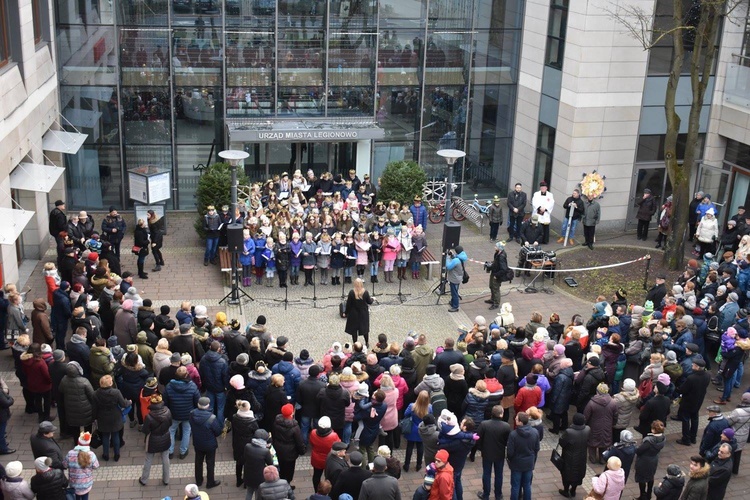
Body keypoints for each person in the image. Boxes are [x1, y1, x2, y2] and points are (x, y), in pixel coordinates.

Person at [92, 374, 130, 461]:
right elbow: (123, 404)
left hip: (102, 417)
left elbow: (94, 408)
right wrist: (129, 402)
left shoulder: (95, 394)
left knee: (105, 436)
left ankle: (106, 455)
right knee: (115, 435)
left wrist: (93, 418)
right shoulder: (116, 392)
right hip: (115, 417)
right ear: (109, 384)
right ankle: (117, 454)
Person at [476, 405, 510, 500]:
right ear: (501, 414)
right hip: (499, 453)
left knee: (486, 473)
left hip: (487, 453)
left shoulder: (484, 424)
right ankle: (498, 495)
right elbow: (508, 441)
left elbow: (478, 439)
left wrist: (481, 448)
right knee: (499, 474)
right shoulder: (506, 426)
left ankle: (486, 494)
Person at [676, 357, 711, 446]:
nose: (692, 365)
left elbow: (683, 390)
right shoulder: (707, 375)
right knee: (695, 418)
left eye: (693, 365)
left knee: (685, 420)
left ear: (697, 367)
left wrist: (677, 388)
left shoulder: (691, 378)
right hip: (698, 401)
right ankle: (693, 437)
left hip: (688, 402)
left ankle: (686, 439)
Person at [139, 393, 172, 486]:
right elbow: (170, 423)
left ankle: (144, 480)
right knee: (165, 458)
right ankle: (166, 479)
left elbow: (145, 430)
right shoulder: (168, 412)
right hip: (165, 437)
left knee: (148, 459)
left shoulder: (149, 417)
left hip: (152, 440)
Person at [190, 396, 223, 489]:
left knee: (198, 462)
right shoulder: (212, 418)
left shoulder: (192, 414)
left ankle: (199, 481)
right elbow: (217, 432)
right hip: (210, 445)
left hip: (197, 442)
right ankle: (210, 482)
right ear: (208, 406)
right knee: (210, 463)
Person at [507, 412, 540, 500]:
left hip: (517, 463)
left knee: (515, 486)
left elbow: (510, 452)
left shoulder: (513, 434)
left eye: (517, 419)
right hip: (529, 463)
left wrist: (510, 460)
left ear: (520, 422)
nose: (515, 419)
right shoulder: (535, 432)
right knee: (527, 485)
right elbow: (537, 448)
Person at [557, 413, 589, 498]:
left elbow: (562, 442)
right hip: (582, 457)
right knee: (578, 473)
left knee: (566, 474)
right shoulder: (587, 429)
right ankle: (573, 490)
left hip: (569, 457)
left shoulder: (569, 432)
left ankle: (566, 490)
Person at [272, 403, 305, 486]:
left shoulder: (276, 422)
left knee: (281, 468)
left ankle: (281, 482)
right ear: (292, 413)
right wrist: (302, 451)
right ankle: (287, 485)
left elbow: (274, 434)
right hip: (291, 452)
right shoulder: (294, 427)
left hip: (279, 449)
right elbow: (299, 441)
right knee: (289, 471)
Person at [634, 420, 667, 500]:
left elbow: (639, 451)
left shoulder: (649, 441)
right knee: (650, 477)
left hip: (644, 461)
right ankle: (649, 494)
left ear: (653, 430)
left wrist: (635, 447)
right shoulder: (662, 438)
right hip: (653, 459)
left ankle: (643, 496)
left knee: (641, 478)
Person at [65, 431, 100, 499]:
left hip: (74, 483)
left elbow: (64, 465)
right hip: (86, 483)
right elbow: (96, 466)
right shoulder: (91, 455)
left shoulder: (70, 454)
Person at [244, 429, 274, 500]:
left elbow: (245, 457)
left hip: (248, 474)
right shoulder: (265, 451)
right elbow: (270, 463)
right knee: (258, 494)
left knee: (249, 492)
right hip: (259, 477)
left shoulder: (247, 446)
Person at [344, 278, 374, 346]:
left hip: (353, 313)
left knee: (354, 330)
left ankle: (355, 344)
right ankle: (367, 342)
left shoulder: (351, 292)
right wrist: (372, 299)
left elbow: (348, 304)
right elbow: (369, 302)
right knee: (364, 328)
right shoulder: (365, 292)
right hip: (363, 313)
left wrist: (345, 313)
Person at [488, 242, 510, 311]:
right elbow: (496, 262)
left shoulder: (501, 256)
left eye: (496, 246)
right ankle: (492, 299)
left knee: (495, 289)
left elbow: (503, 269)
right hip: (494, 272)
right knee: (491, 286)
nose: (495, 247)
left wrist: (496, 276)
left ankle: (496, 303)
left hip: (497, 275)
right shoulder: (497, 253)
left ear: (499, 248)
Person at [446, 246, 468, 313]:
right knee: (455, 290)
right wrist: (453, 255)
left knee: (454, 293)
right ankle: (452, 302)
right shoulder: (463, 257)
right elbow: (457, 258)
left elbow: (448, 266)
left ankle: (455, 306)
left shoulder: (456, 260)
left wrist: (448, 258)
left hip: (454, 278)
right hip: (459, 276)